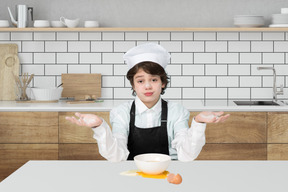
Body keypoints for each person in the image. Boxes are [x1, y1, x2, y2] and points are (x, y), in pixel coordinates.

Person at [66, 43, 230, 162]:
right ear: (133, 85)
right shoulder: (120, 113)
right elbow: (116, 157)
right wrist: (99, 127)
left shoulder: (177, 111)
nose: (148, 86)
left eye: (153, 79)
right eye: (140, 81)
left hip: (169, 175)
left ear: (163, 82)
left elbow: (186, 156)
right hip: (130, 175)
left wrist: (198, 123)